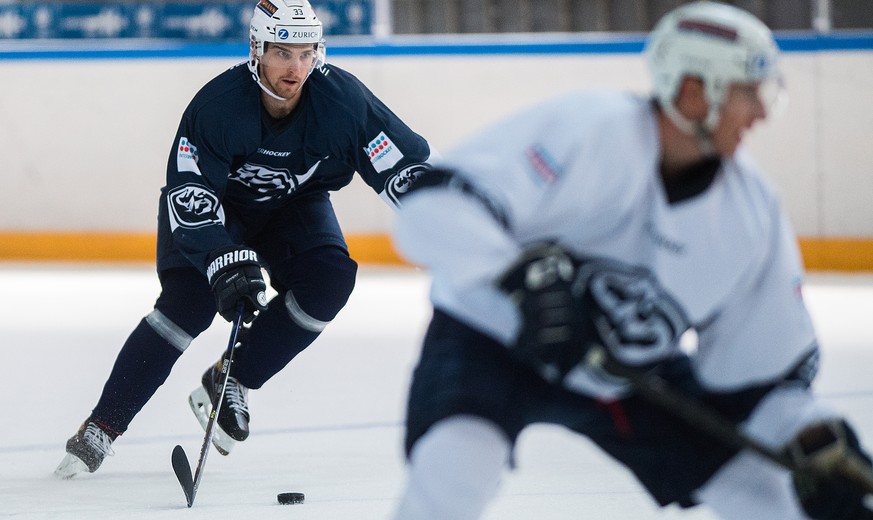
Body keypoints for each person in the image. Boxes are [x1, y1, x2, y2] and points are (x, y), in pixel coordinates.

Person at [389, 2, 873, 519]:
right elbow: (432, 209)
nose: (761, 112)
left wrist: (812, 435)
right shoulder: (591, 130)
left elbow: (761, 376)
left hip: (624, 368)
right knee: (453, 469)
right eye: (746, 92)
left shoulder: (750, 212)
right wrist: (520, 280)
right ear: (694, 92)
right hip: (494, 339)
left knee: (766, 494)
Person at [55, 0, 435, 478]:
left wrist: (459, 225)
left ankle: (232, 378)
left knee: (329, 280)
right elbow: (191, 192)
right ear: (256, 50)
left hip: (292, 208)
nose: (296, 69)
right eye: (282, 53)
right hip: (215, 212)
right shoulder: (217, 106)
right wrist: (223, 258)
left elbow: (407, 168)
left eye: (306, 53)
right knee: (189, 303)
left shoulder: (343, 102)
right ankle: (101, 428)